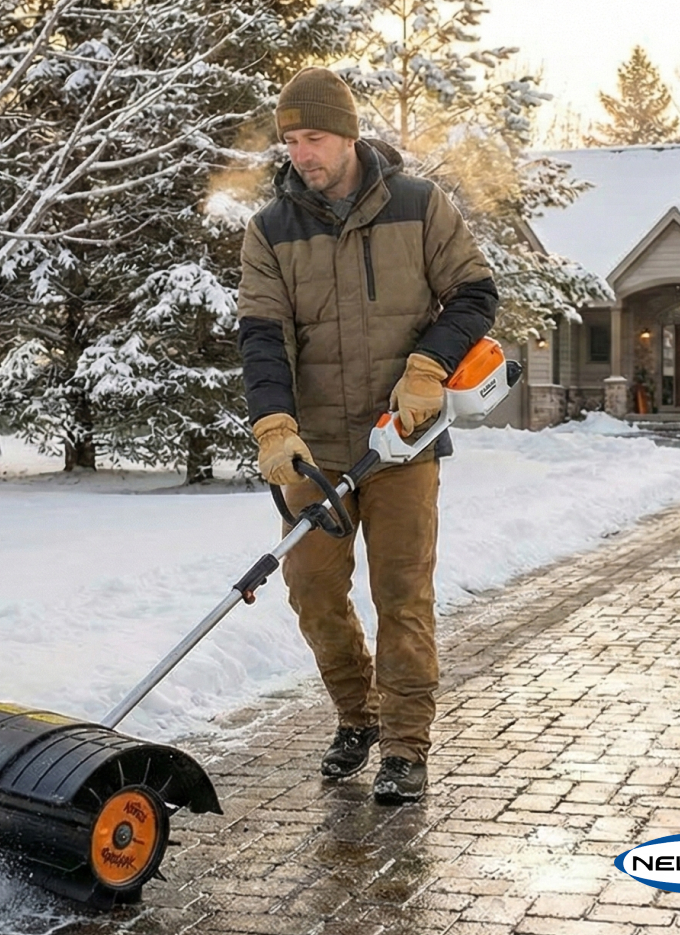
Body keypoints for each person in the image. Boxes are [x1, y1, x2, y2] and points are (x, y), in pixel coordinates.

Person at [237, 67, 499, 805]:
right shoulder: (271, 229)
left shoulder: (418, 206)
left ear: (348, 134)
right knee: (312, 589)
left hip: (402, 438)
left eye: (312, 137)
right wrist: (273, 423)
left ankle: (406, 745)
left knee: (401, 594)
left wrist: (426, 367)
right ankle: (358, 716)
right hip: (313, 448)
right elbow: (261, 335)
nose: (300, 153)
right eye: (289, 140)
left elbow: (476, 293)